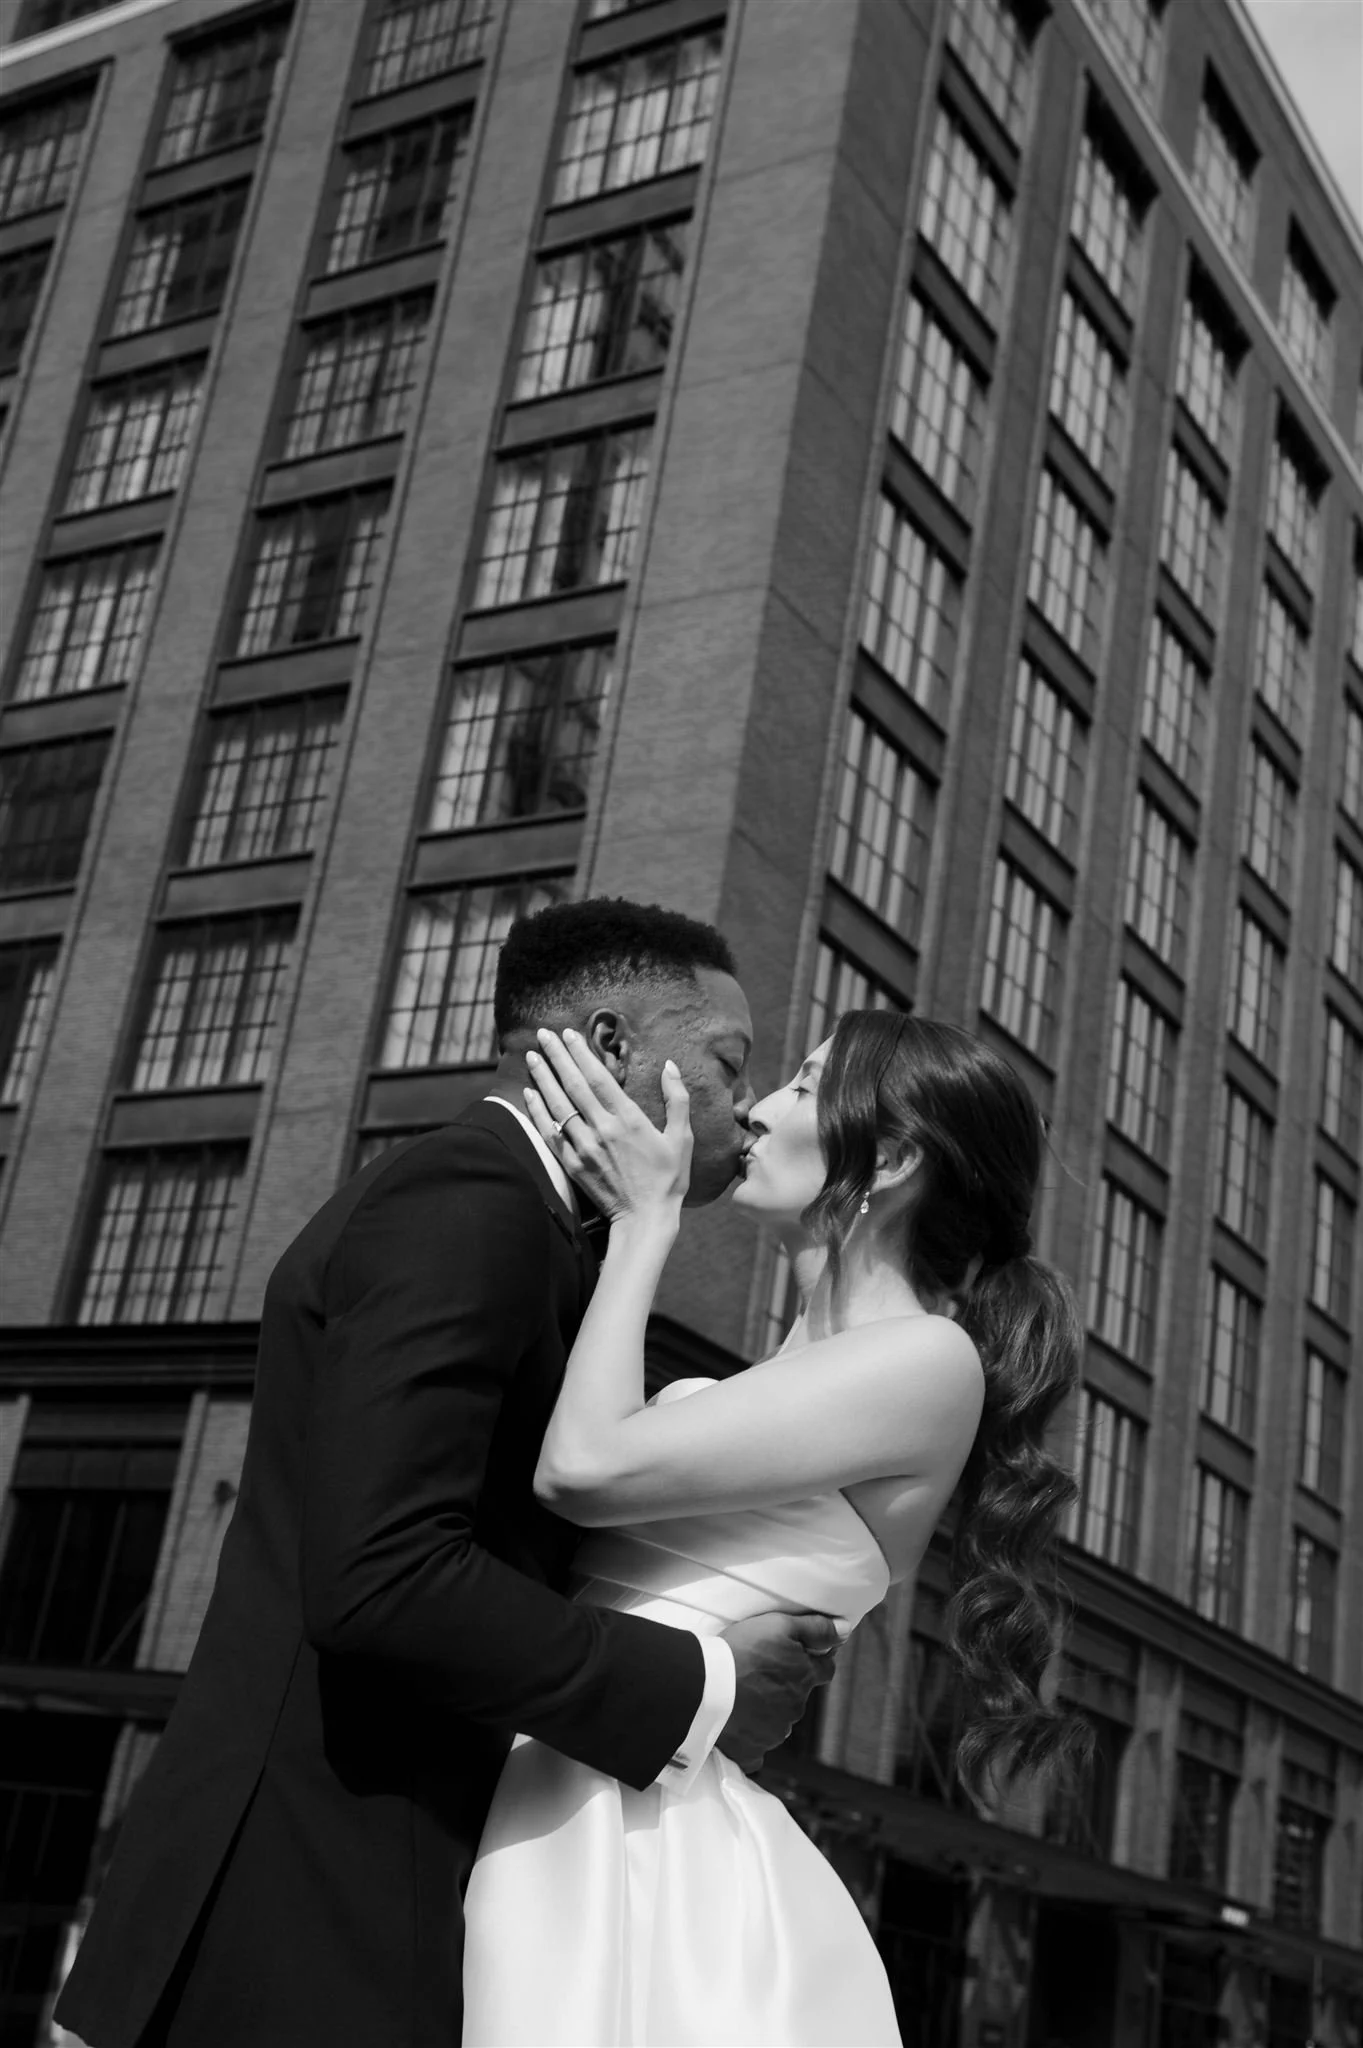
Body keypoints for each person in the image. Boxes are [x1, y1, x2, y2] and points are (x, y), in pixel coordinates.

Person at [54, 899, 842, 2048]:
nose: (746, 1107)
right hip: (312, 1910)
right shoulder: (473, 1204)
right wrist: (703, 1684)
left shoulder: (532, 1222)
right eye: (729, 1062)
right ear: (610, 1044)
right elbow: (380, 1575)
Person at [461, 1008, 1089, 2045]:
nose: (754, 1109)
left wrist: (646, 1222)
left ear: (887, 1157)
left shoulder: (927, 1359)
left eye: (800, 1087)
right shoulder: (793, 1376)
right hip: (569, 1786)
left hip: (641, 1852)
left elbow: (581, 1467)